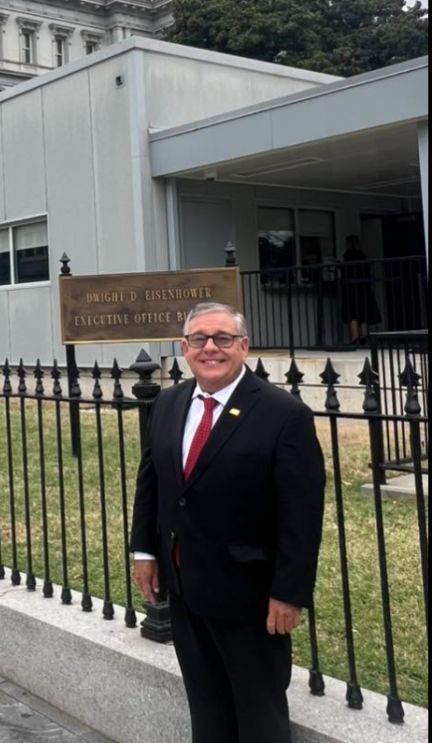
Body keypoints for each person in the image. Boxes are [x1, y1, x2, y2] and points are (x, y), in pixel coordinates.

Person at [131, 302, 326, 743]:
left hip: (249, 596)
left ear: (243, 346)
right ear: (185, 348)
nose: (210, 348)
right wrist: (145, 551)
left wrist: (288, 593)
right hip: (185, 588)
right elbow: (153, 483)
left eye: (222, 339)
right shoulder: (168, 403)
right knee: (206, 705)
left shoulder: (283, 414)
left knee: (259, 714)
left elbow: (301, 514)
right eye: (199, 339)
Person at [340, 235, 382, 345]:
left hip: (351, 288)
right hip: (363, 288)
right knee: (363, 311)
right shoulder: (362, 255)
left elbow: (345, 271)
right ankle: (364, 335)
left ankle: (354, 336)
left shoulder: (347, 256)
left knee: (352, 312)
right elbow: (367, 271)